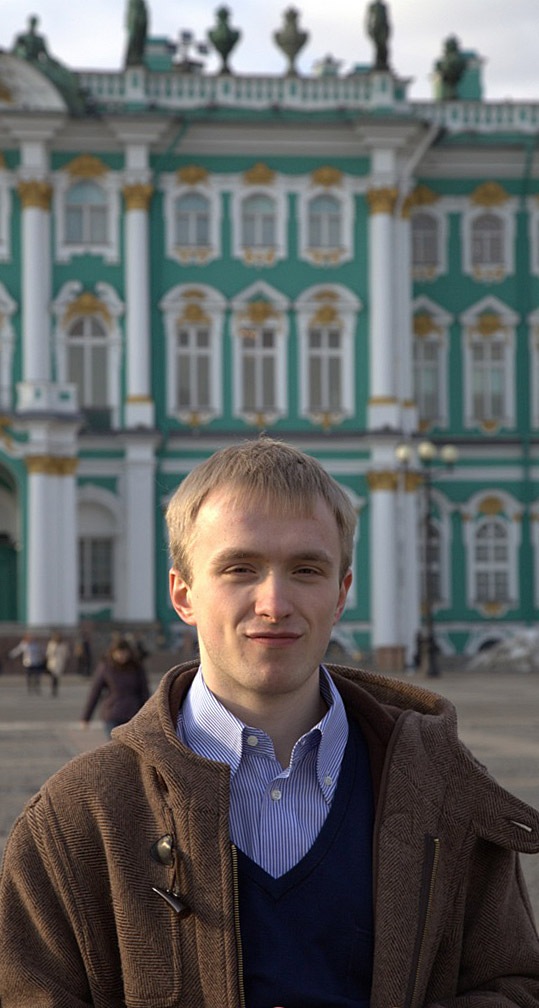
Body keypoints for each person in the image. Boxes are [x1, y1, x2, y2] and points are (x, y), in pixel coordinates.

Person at [1, 436, 539, 1008]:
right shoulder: (79, 816)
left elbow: (513, 985)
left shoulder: (443, 790)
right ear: (183, 594)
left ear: (341, 594)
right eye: (240, 568)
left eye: (306, 569)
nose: (274, 603)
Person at [80, 637, 150, 737]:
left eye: (124, 653)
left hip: (133, 714)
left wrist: (148, 716)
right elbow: (95, 692)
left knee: (130, 745)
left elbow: (145, 692)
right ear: (112, 653)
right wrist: (86, 717)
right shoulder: (106, 667)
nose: (121, 656)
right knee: (114, 744)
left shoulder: (136, 667)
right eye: (118, 653)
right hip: (112, 714)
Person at [45, 631, 70, 697]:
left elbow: (66, 654)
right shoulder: (51, 644)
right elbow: (48, 653)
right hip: (52, 662)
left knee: (56, 676)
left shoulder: (63, 645)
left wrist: (64, 659)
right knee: (53, 676)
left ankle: (55, 689)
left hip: (59, 662)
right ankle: (53, 689)